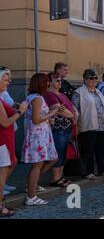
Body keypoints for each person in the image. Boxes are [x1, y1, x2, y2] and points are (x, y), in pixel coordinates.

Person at [22, 73, 60, 206]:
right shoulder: (37, 98)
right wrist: (51, 113)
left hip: (40, 134)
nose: (49, 84)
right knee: (37, 166)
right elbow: (36, 119)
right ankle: (31, 196)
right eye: (47, 82)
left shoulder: (32, 97)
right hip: (38, 136)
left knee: (50, 160)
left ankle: (32, 186)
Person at [72, 69, 104, 180]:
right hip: (88, 125)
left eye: (95, 78)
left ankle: (103, 169)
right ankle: (87, 171)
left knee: (100, 149)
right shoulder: (79, 92)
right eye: (91, 78)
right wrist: (76, 124)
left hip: (101, 126)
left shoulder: (98, 92)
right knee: (88, 150)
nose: (94, 80)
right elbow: (74, 109)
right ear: (85, 79)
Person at [0, 67, 28, 217]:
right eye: (5, 80)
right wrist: (20, 111)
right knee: (1, 175)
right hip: (2, 141)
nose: (8, 83)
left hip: (3, 140)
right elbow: (5, 123)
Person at [43, 72, 78, 188]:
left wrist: (75, 113)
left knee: (64, 153)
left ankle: (60, 176)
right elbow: (58, 110)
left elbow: (71, 106)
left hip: (67, 128)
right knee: (58, 152)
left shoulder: (62, 94)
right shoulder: (49, 94)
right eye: (57, 80)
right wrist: (72, 115)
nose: (59, 82)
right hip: (58, 128)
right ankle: (55, 178)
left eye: (60, 80)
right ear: (49, 82)